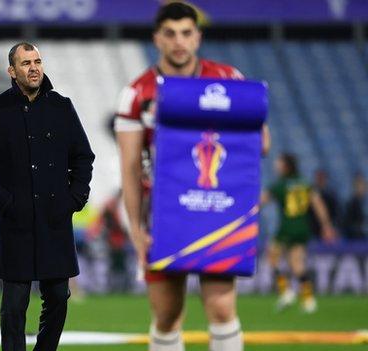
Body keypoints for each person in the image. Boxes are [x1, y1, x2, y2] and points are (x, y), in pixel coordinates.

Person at [114, 3, 271, 351]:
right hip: (164, 218)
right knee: (168, 315)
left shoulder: (229, 80)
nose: (179, 42)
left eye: (186, 33)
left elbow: (262, 144)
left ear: (198, 37)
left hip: (216, 211)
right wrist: (137, 232)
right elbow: (129, 169)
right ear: (157, 38)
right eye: (170, 34)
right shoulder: (137, 93)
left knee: (221, 306)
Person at [0, 42, 94, 351]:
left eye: (37, 60)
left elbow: (83, 158)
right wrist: (4, 204)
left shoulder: (62, 107)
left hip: (55, 220)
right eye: (25, 63)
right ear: (12, 71)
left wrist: (74, 199)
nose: (34, 67)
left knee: (58, 298)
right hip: (17, 224)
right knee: (13, 305)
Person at [261, 153, 336, 313]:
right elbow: (318, 205)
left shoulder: (280, 185)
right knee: (297, 265)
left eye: (279, 163)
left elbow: (261, 201)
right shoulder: (305, 183)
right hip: (302, 228)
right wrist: (326, 225)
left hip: (287, 227)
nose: (276, 166)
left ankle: (286, 291)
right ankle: (309, 300)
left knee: (271, 255)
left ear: (286, 166)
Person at [309, 169, 339, 236]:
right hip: (313, 228)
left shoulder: (330, 194)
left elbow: (335, 212)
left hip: (327, 229)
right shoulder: (310, 193)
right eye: (318, 177)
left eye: (322, 178)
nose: (320, 180)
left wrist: (330, 226)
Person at [343, 173, 366, 240]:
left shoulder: (362, 202)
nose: (362, 188)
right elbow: (347, 224)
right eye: (359, 185)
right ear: (354, 187)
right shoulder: (351, 203)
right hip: (354, 238)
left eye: (363, 185)